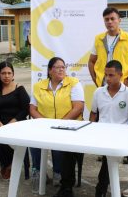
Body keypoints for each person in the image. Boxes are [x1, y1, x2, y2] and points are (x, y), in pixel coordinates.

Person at [30, 57, 84, 195]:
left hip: (69, 126)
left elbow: (78, 107)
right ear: (49, 70)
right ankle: (38, 172)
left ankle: (59, 174)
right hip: (45, 126)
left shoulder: (74, 83)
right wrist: (47, 124)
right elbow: (32, 109)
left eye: (63, 67)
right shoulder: (38, 86)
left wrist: (60, 124)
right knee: (33, 142)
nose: (61, 69)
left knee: (61, 143)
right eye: (57, 67)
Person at [89, 60, 128, 197]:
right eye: (106, 75)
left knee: (109, 160)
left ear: (121, 75)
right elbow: (93, 113)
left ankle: (101, 190)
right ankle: (103, 188)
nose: (107, 79)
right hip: (101, 134)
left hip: (121, 136)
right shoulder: (99, 92)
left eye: (111, 75)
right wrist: (92, 129)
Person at [0, 61, 30, 180]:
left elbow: (25, 109)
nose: (6, 76)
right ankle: (8, 163)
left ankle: (9, 164)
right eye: (3, 73)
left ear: (13, 74)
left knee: (10, 138)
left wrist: (13, 121)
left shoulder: (19, 89)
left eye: (9, 73)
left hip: (17, 123)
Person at [88, 7, 128, 87]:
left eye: (112, 19)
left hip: (123, 85)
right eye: (107, 19)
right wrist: (95, 80)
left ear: (119, 20)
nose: (109, 22)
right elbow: (91, 61)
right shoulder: (99, 39)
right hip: (103, 86)